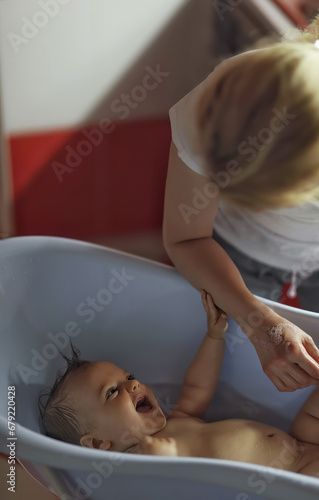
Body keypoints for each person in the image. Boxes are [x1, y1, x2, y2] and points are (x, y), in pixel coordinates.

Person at [162, 13, 319, 392]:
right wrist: (258, 323)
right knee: (230, 364)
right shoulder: (218, 103)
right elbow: (186, 239)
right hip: (232, 252)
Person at [39, 292, 319, 477]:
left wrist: (214, 337)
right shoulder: (137, 467)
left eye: (128, 377)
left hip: (302, 439)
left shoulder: (177, 419)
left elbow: (199, 387)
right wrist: (166, 459)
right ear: (98, 442)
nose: (133, 384)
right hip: (295, 478)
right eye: (112, 392)